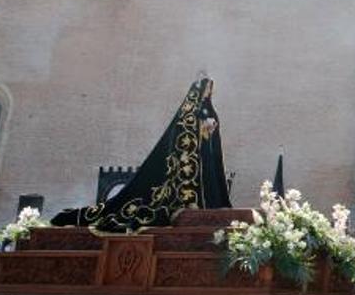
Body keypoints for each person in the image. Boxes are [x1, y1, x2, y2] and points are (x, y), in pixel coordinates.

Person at [51, 78, 231, 231]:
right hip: (187, 172)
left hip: (202, 167)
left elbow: (210, 134)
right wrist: (202, 126)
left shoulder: (207, 109)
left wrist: (210, 127)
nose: (209, 92)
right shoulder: (188, 114)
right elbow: (184, 136)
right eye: (206, 89)